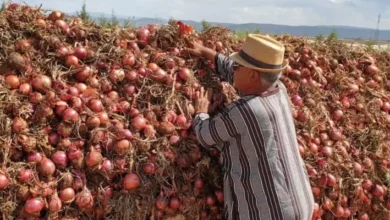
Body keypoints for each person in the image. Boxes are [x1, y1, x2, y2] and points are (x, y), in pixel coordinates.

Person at [184, 34, 315, 220]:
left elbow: (206, 135)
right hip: (300, 202)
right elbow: (236, 74)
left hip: (271, 213)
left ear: (253, 74)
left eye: (238, 65)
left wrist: (201, 113)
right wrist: (208, 54)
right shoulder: (279, 90)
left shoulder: (244, 111)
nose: (234, 68)